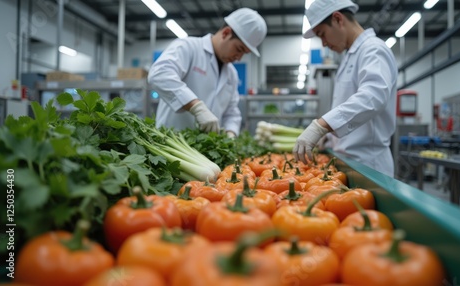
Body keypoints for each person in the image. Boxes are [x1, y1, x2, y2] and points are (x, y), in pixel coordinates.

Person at [293, 0, 398, 177]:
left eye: (322, 34)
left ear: (338, 19)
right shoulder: (348, 58)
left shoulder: (373, 49)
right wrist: (330, 138)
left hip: (369, 164)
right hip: (349, 161)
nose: (324, 43)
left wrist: (321, 126)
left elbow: (373, 96)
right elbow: (348, 109)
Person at [148, 8, 267, 137]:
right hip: (171, 142)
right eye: (239, 49)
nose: (239, 58)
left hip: (205, 150)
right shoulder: (189, 47)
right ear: (226, 33)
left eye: (244, 53)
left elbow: (231, 112)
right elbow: (159, 73)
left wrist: (230, 133)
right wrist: (196, 107)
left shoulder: (231, 74)